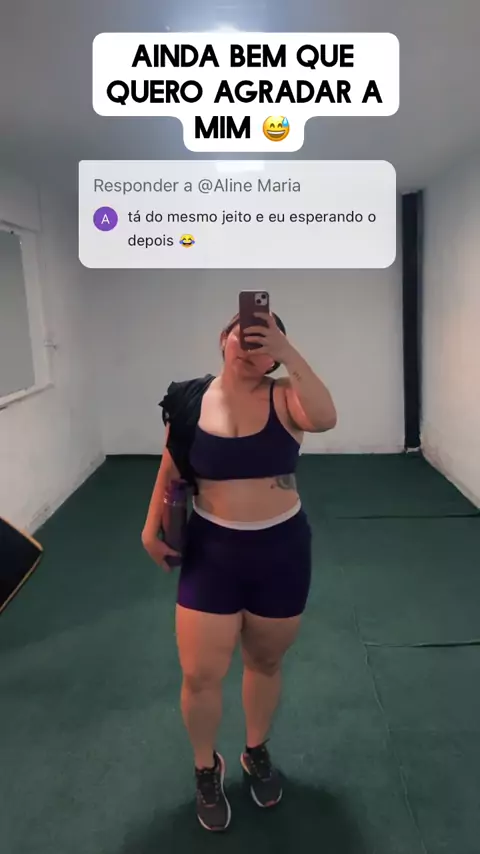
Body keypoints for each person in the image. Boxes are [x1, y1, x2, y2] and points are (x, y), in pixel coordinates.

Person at [142, 309, 337, 832]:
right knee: (200, 674)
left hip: (281, 552)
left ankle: (255, 750)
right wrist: (151, 524)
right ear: (223, 338)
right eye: (242, 334)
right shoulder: (187, 400)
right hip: (212, 555)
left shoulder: (287, 397)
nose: (250, 347)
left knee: (265, 661)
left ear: (275, 356)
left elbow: (326, 418)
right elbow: (171, 464)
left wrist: (288, 353)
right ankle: (206, 767)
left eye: (265, 342)